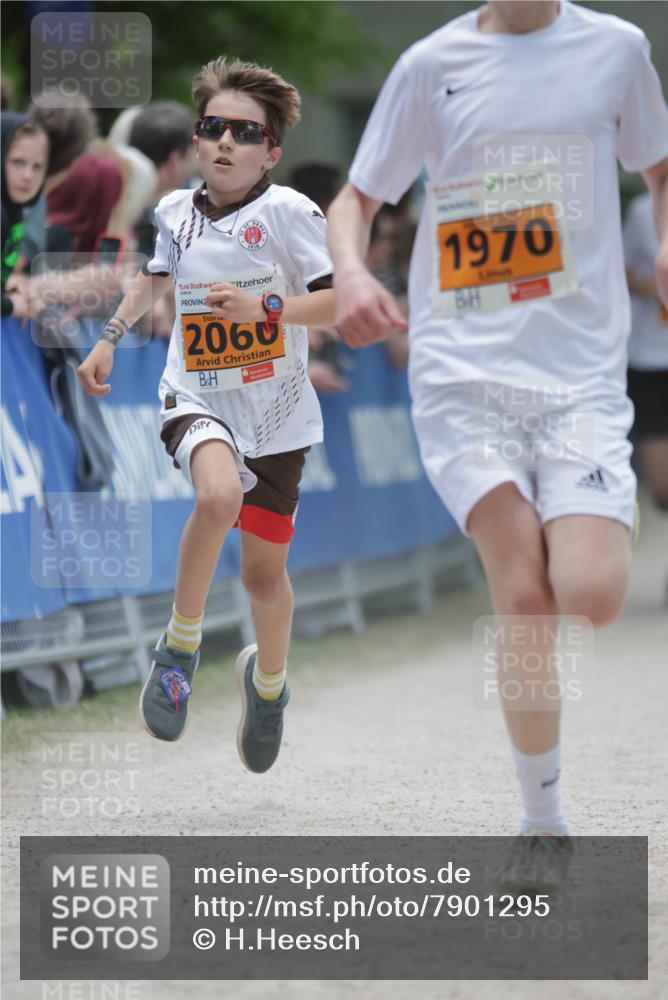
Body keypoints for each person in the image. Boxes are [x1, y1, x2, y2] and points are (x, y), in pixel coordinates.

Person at [328, 0, 668, 890]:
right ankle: (544, 822)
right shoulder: (428, 64)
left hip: (580, 376)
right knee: (521, 597)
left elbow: (662, 168)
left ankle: (586, 513)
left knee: (588, 597)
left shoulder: (617, 49)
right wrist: (355, 270)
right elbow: (358, 197)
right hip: (463, 374)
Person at [77, 57, 336, 774]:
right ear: (196, 139)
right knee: (216, 496)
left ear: (270, 151)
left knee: (262, 580)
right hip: (196, 391)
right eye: (211, 127)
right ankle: (179, 648)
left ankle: (270, 688)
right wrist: (108, 338)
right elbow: (155, 275)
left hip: (278, 412)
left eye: (243, 132)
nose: (224, 142)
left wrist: (267, 308)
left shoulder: (291, 215)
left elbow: (339, 303)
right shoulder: (173, 213)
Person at [623, 191, 668, 510]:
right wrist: (653, 287)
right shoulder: (642, 211)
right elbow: (618, 275)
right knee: (662, 482)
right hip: (651, 357)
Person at [1, 112, 49, 317]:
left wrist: (8, 288)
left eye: (37, 167)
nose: (28, 176)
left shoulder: (15, 213)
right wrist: (10, 306)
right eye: (18, 162)